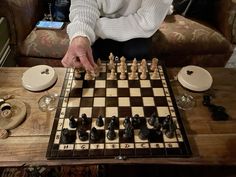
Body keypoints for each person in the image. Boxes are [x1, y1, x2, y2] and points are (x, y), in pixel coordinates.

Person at [61, 0, 173, 71]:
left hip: (138, 29)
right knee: (88, 60)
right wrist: (81, 35)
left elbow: (147, 21)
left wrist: (92, 29)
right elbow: (83, 5)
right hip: (97, 21)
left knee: (136, 53)